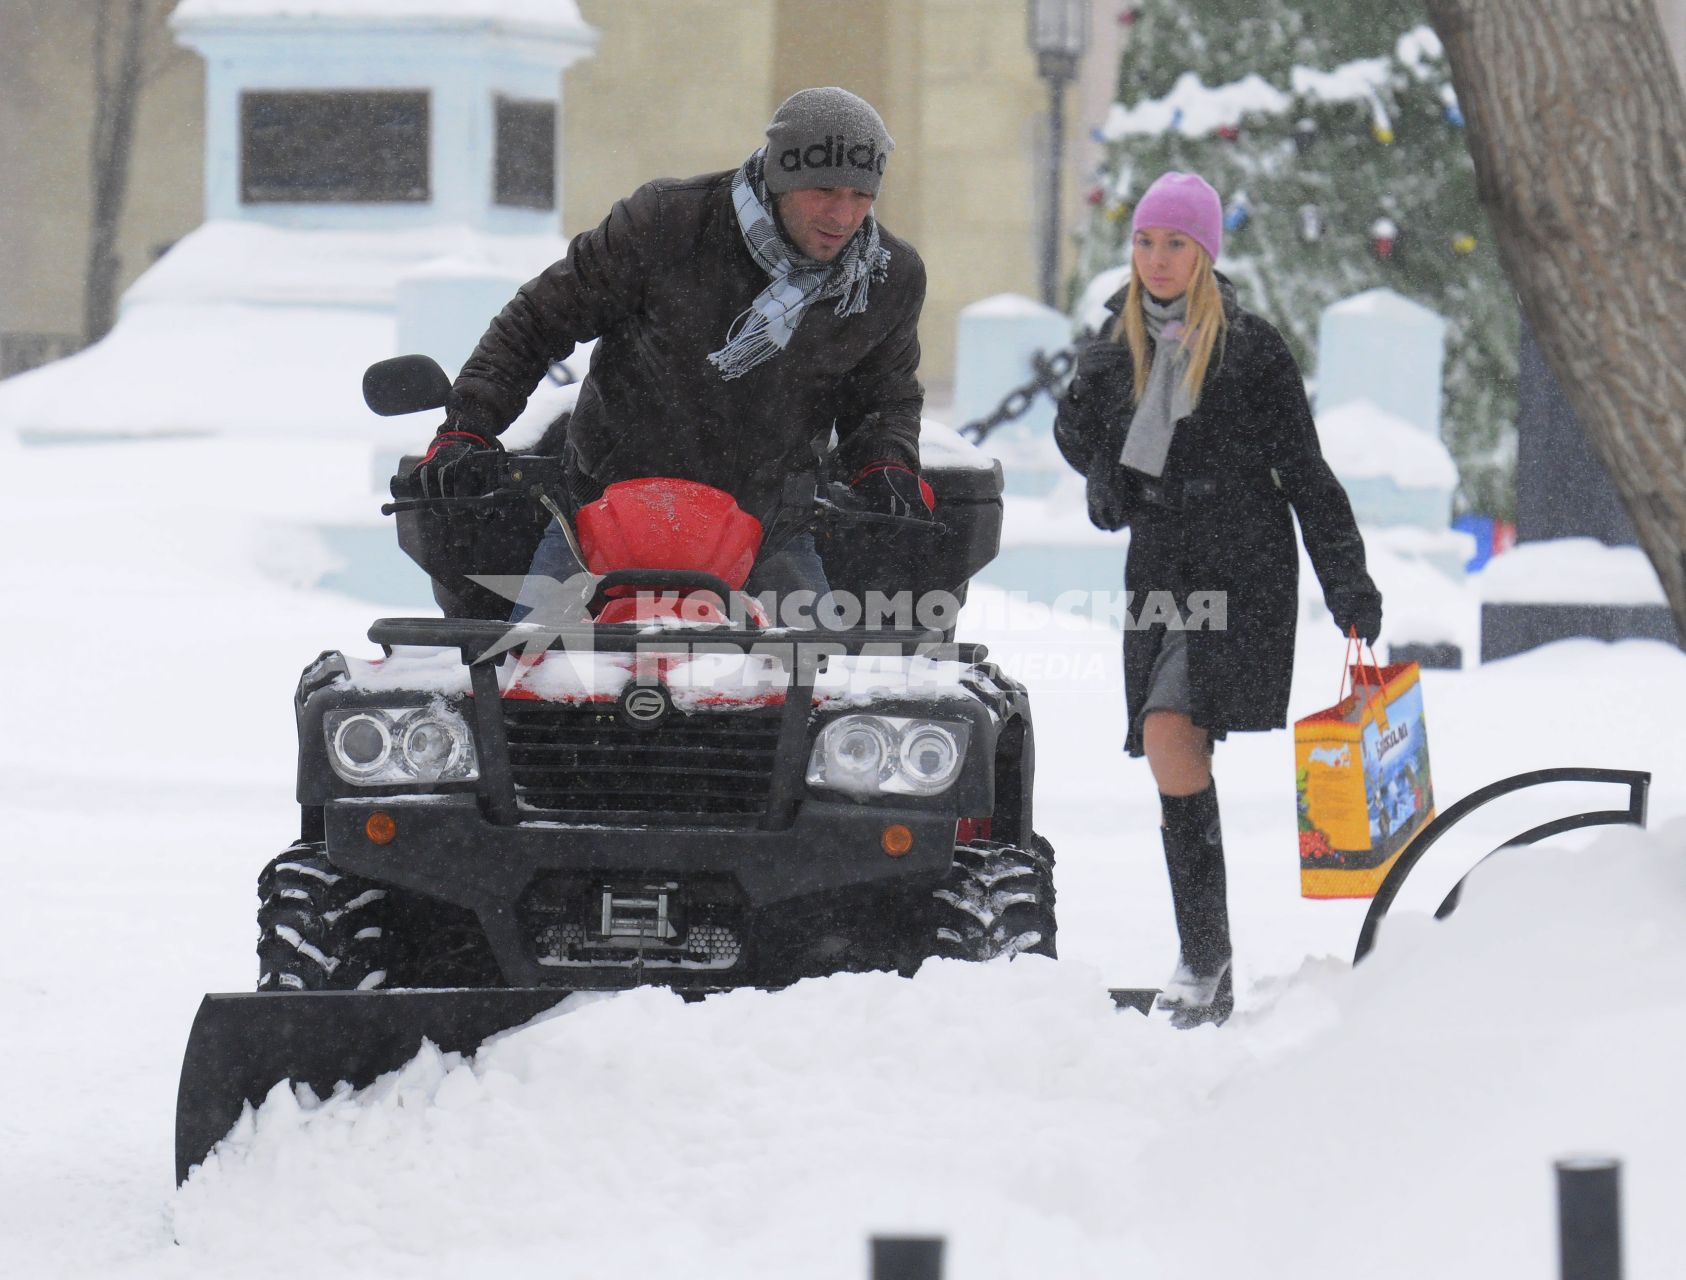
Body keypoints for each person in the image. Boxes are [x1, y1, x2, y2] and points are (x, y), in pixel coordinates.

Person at [1053, 171, 1382, 1028]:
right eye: (1144, 242)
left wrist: (1349, 582)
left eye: (1176, 244)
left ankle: (1203, 958)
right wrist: (1101, 474)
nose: (1157, 261)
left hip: (1241, 565)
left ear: (1205, 254)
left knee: (1171, 729)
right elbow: (1080, 432)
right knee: (1172, 741)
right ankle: (1208, 953)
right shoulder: (1112, 348)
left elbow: (1305, 473)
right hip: (1161, 566)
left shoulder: (1250, 349)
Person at [414, 86, 933, 621]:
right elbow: (539, 320)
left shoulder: (889, 277)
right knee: (532, 681)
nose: (843, 215)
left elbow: (885, 394)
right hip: (604, 512)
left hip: (770, 524)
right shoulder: (665, 223)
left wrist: (885, 465)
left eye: (861, 195)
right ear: (781, 177)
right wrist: (468, 427)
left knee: (821, 688)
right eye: (824, 189)